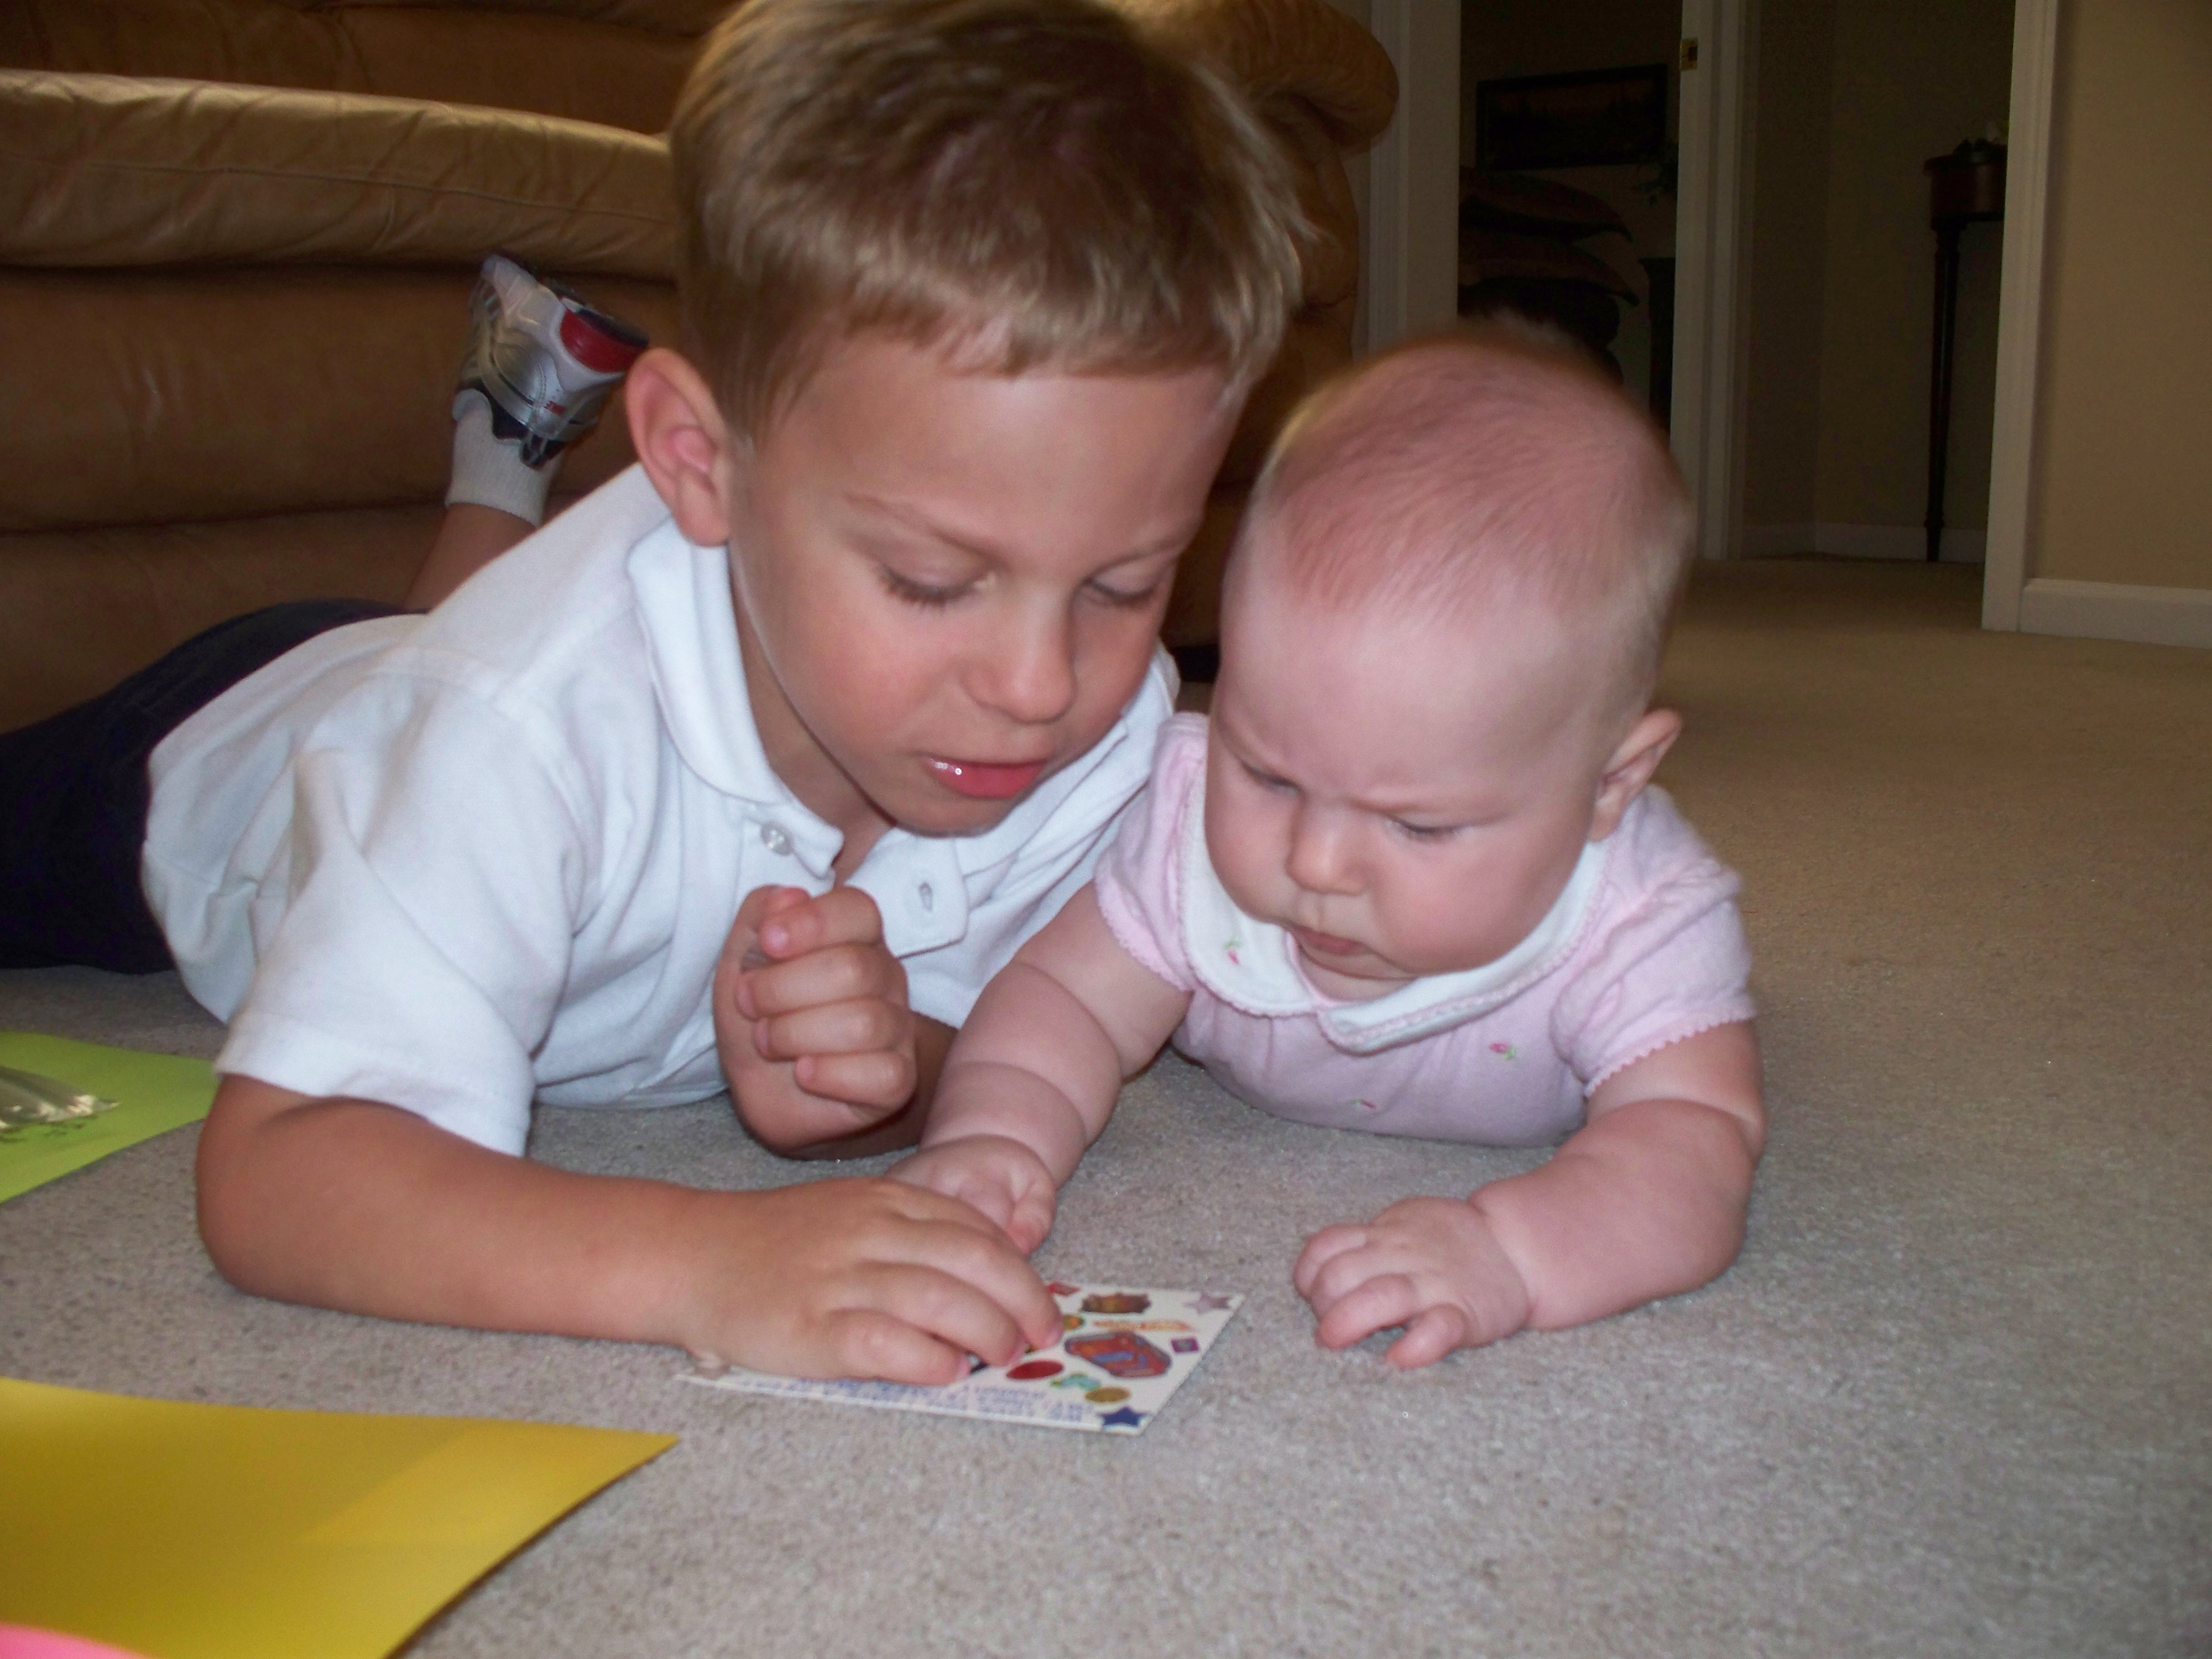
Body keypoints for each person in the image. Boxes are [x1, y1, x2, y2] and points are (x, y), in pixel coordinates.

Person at [0, 0, 1303, 1383]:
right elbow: (281, 1177)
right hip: (207, 759)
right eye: (930, 581)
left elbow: (991, 1025)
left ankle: (499, 461)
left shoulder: (1107, 731)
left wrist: (876, 1075)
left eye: (1123, 583)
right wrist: (707, 1261)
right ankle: (496, 471)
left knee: (444, 657)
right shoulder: (508, 734)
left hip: (449, 677)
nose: (1042, 687)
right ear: (699, 463)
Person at [893, 329, 1766, 1370]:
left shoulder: (1641, 915)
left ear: (1608, 787)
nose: (1314, 863)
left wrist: (1516, 1252)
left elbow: (1692, 1143)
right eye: (1267, 774)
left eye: (1416, 825)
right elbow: (1065, 1000)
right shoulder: (1187, 833)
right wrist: (994, 1135)